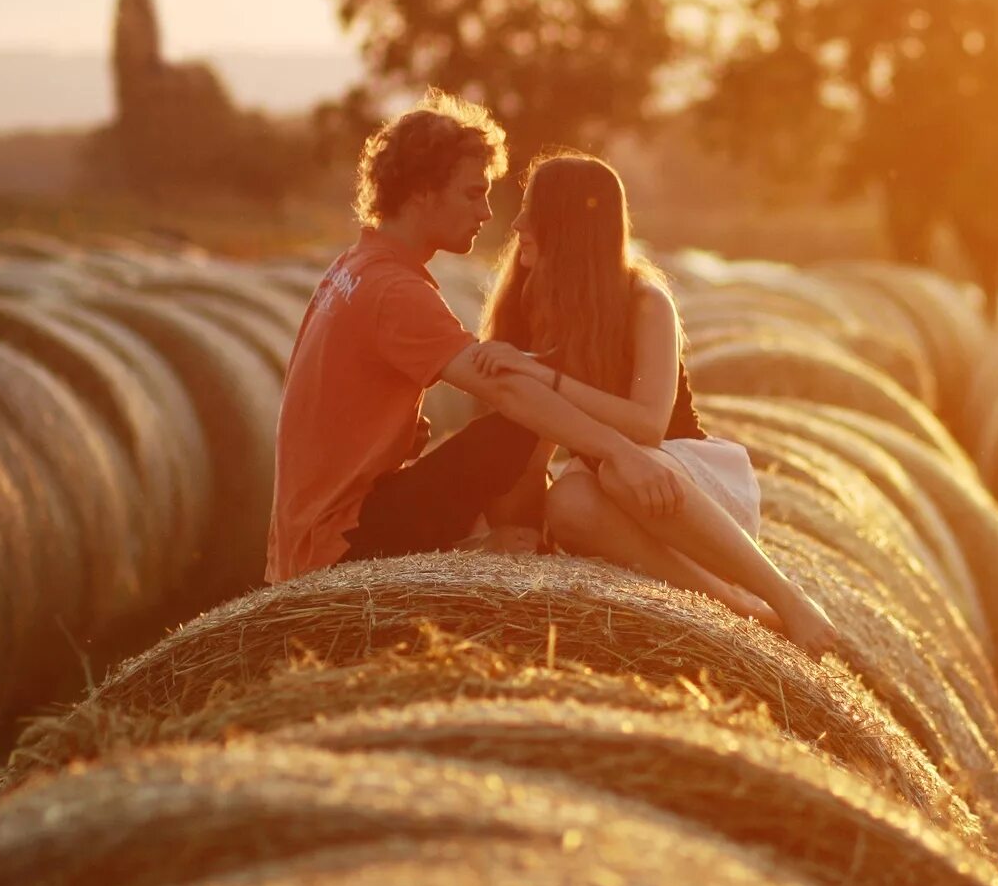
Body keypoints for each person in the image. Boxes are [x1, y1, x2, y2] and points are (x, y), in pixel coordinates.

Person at [264, 91, 691, 620]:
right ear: (422, 193)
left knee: (505, 425)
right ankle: (533, 565)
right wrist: (622, 453)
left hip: (314, 533)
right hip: (341, 544)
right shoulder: (394, 291)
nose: (487, 213)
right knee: (515, 425)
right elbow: (508, 392)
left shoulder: (354, 267)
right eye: (471, 194)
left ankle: (508, 549)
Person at [472, 151, 840, 656]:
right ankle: (740, 609)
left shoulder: (645, 301)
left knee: (622, 468)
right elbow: (531, 435)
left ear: (568, 225)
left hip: (690, 490)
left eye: (531, 209)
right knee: (569, 503)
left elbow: (647, 426)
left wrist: (542, 373)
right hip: (617, 496)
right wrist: (518, 532)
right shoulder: (527, 299)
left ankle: (785, 596)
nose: (516, 223)